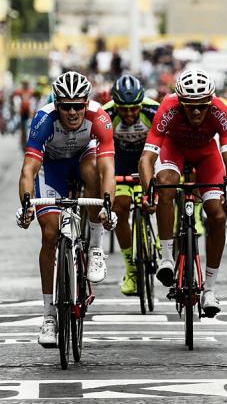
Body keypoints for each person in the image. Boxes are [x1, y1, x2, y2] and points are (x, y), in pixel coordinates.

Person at [16, 71, 117, 347]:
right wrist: (26, 203)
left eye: (78, 105)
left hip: (84, 159)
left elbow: (108, 167)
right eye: (66, 106)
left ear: (87, 103)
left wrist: (107, 204)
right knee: (49, 234)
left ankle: (95, 248)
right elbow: (29, 168)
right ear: (56, 104)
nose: (72, 112)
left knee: (94, 171)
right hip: (53, 167)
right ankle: (49, 316)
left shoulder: (100, 118)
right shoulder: (44, 119)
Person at [138, 69, 227, 318]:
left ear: (210, 102)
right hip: (174, 150)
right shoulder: (168, 107)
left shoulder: (220, 110)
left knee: (216, 215)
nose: (196, 112)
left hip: (207, 154)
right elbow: (147, 157)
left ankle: (210, 290)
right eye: (190, 106)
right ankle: (166, 258)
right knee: (166, 185)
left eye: (202, 106)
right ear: (180, 102)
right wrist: (147, 189)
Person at [104, 75, 159, 295]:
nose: (128, 114)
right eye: (123, 109)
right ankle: (132, 269)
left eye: (133, 109)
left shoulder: (153, 112)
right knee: (120, 207)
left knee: (164, 195)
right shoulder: (107, 115)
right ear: (115, 105)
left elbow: (168, 147)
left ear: (141, 104)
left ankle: (163, 244)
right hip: (121, 164)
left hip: (149, 160)